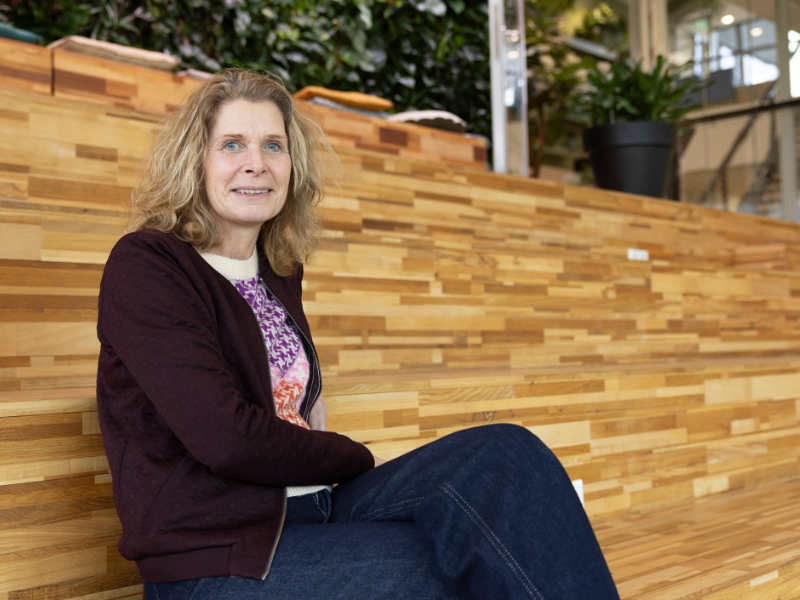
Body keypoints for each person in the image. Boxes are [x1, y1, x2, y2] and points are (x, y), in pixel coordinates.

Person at [96, 68, 619, 600]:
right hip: (216, 555)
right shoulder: (148, 265)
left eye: (273, 145)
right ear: (196, 160)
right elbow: (226, 438)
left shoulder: (276, 271)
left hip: (312, 511)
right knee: (464, 560)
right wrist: (351, 455)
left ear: (291, 165)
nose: (256, 162)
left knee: (507, 453)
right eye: (232, 144)